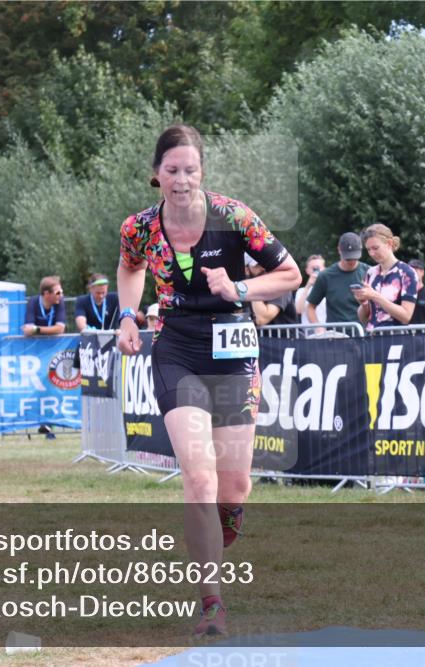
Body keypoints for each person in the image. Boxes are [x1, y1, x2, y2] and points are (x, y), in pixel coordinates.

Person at [115, 125, 301, 637]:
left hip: (232, 350)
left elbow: (290, 275)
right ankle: (212, 604)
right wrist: (127, 316)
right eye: (172, 170)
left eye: (190, 170)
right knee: (199, 478)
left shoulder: (234, 217)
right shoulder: (139, 227)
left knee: (233, 483)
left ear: (202, 172)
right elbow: (129, 268)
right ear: (156, 174)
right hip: (176, 347)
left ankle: (227, 518)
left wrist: (238, 287)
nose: (181, 180)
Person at [353, 224, 417, 331]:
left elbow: (406, 317)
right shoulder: (370, 273)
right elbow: (364, 319)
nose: (371, 253)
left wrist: (376, 296)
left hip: (396, 336)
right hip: (372, 336)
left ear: (389, 243)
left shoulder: (407, 272)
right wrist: (364, 304)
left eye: (375, 248)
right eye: (368, 249)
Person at [306, 233, 370, 329]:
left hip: (363, 333)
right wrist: (319, 328)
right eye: (348, 258)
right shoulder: (325, 276)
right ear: (339, 250)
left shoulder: (369, 272)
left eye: (354, 257)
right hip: (335, 335)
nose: (352, 261)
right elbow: (310, 307)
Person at [249, 261, 298, 327]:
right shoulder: (242, 288)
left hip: (284, 333)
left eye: (266, 263)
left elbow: (262, 319)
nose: (263, 267)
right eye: (258, 265)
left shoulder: (280, 286)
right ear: (247, 269)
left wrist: (253, 287)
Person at [294, 254, 327, 332]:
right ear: (307, 270)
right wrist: (308, 286)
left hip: (328, 329)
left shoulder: (329, 288)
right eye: (313, 268)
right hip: (309, 332)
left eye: (318, 268)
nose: (316, 270)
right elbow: (298, 310)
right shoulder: (301, 291)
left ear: (324, 269)